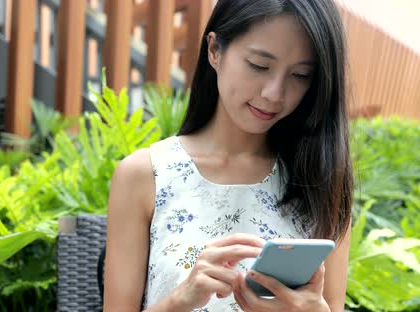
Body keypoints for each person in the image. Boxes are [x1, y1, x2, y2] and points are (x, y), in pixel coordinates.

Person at [103, 0, 353, 311]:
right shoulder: (146, 175)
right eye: (259, 66)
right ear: (214, 50)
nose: (274, 93)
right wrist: (183, 298)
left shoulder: (320, 182)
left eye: (300, 75)